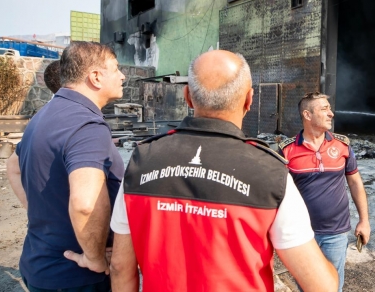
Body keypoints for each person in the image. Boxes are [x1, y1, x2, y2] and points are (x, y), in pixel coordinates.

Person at [109, 50, 338, 292]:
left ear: (187, 96)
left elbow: (120, 268)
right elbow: (322, 285)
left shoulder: (142, 161)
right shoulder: (269, 173)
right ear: (249, 101)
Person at [6, 42, 126, 291]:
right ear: (95, 77)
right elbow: (85, 205)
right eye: (116, 69)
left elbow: (13, 166)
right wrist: (93, 258)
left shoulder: (44, 115)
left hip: (39, 262)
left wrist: (42, 210)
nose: (123, 76)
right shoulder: (86, 125)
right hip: (76, 277)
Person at [278, 92, 371, 292]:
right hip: (301, 235)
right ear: (307, 115)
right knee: (306, 286)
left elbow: (355, 183)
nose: (331, 114)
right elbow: (278, 193)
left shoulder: (342, 145)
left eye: (329, 108)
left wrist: (364, 220)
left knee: (332, 286)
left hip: (335, 233)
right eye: (324, 109)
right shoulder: (286, 151)